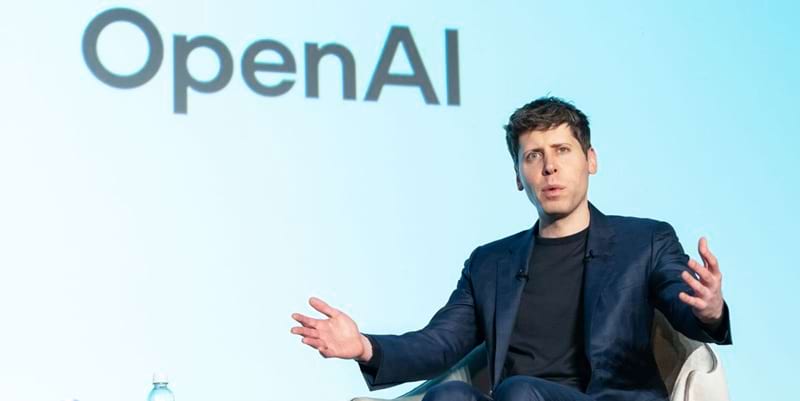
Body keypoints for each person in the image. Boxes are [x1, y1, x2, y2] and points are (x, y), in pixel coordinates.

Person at [290, 97, 732, 401]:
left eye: (562, 150)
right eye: (533, 156)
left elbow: (684, 303)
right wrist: (364, 346)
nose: (550, 166)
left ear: (591, 160)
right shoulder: (490, 263)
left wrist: (710, 309)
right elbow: (441, 342)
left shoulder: (645, 241)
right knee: (449, 395)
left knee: (518, 390)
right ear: (519, 176)